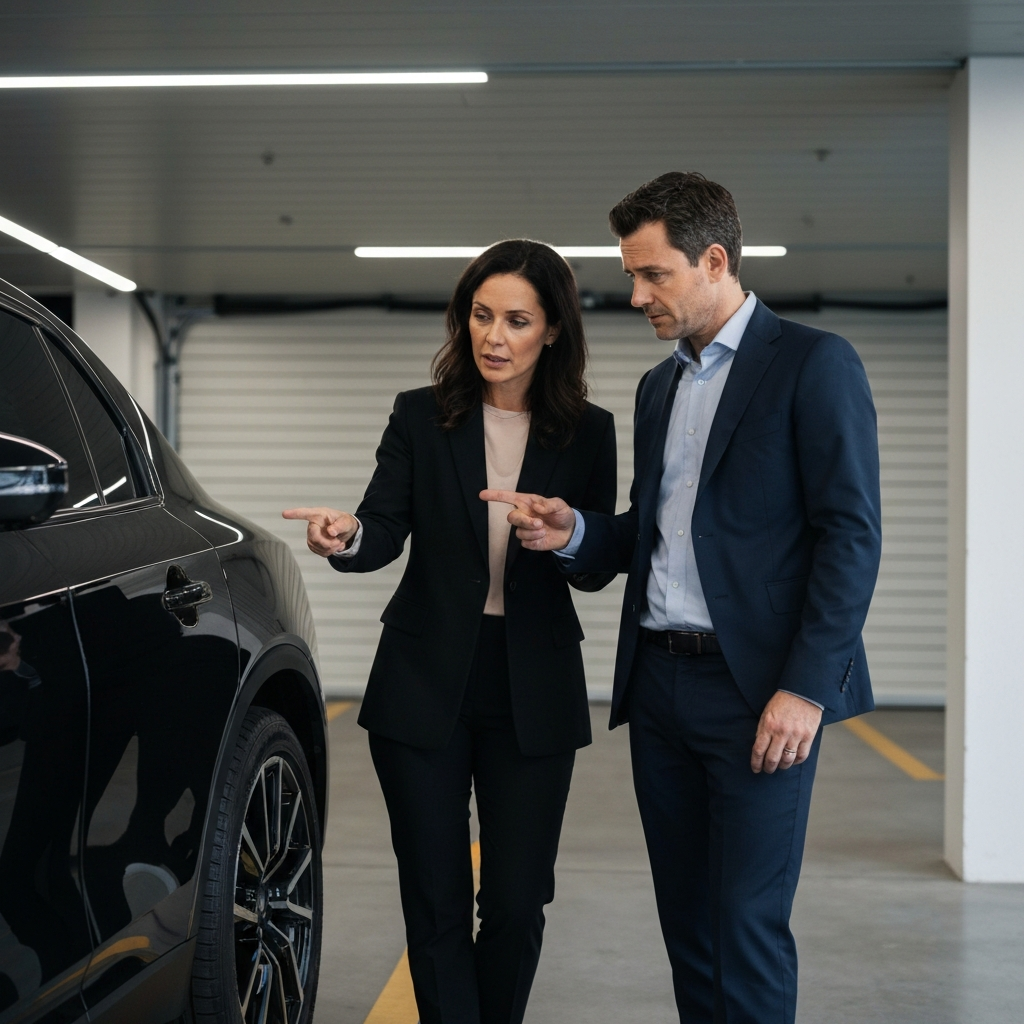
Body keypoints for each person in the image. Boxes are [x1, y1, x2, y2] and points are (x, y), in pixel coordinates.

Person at [484, 172, 882, 1024]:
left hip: (759, 695)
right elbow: (657, 532)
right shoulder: (659, 388)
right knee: (689, 928)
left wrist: (807, 687)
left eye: (652, 274)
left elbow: (851, 538)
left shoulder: (814, 364)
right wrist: (577, 532)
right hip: (659, 689)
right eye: (631, 274)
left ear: (713, 260)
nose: (635, 295)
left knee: (745, 922)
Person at [283, 239, 617, 1024]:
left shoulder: (589, 431)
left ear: (553, 332)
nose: (493, 336)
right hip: (424, 677)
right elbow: (384, 527)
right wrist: (347, 535)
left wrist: (566, 535)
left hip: (531, 683)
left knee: (517, 899)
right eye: (480, 315)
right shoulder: (420, 416)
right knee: (434, 897)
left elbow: (599, 562)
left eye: (517, 320)